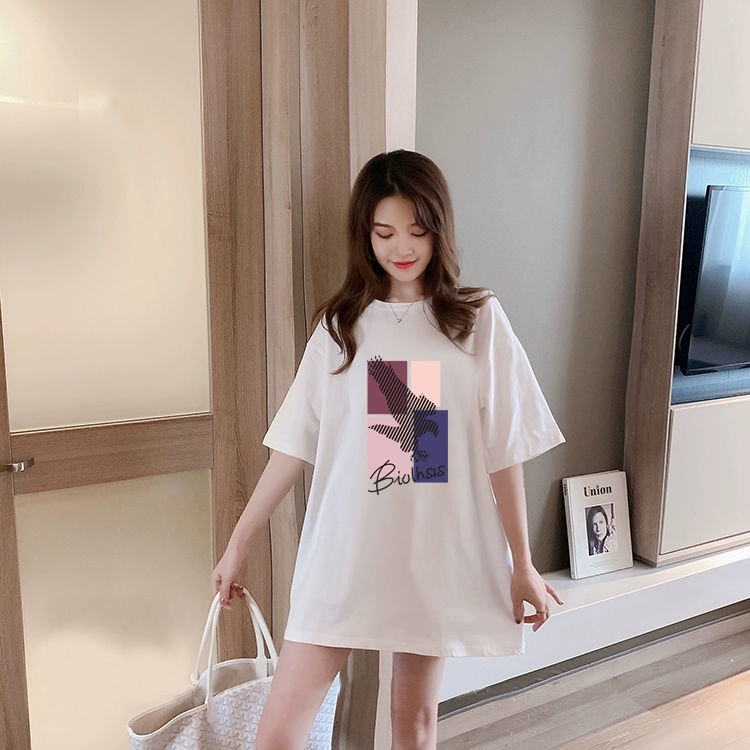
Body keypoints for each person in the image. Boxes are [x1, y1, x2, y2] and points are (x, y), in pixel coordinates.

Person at [212, 150, 565, 749]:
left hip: (429, 553)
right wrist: (239, 541)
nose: (402, 247)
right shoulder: (340, 328)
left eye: (417, 230)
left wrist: (522, 563)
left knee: (414, 722)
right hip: (343, 553)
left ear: (439, 229)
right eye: (385, 233)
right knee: (277, 737)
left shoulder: (475, 321)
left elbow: (503, 450)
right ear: (365, 235)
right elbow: (293, 446)